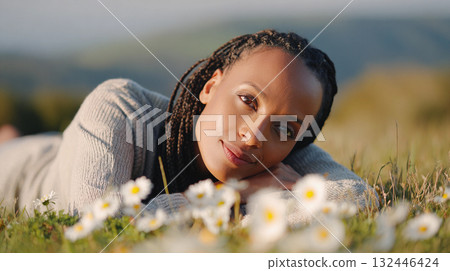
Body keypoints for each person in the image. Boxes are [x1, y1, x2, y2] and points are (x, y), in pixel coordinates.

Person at [0, 29, 377, 218]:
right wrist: (231, 198)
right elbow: (98, 224)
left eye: (285, 128)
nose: (252, 136)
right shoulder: (120, 107)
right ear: (212, 86)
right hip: (23, 169)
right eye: (248, 100)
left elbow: (357, 199)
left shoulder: (283, 156)